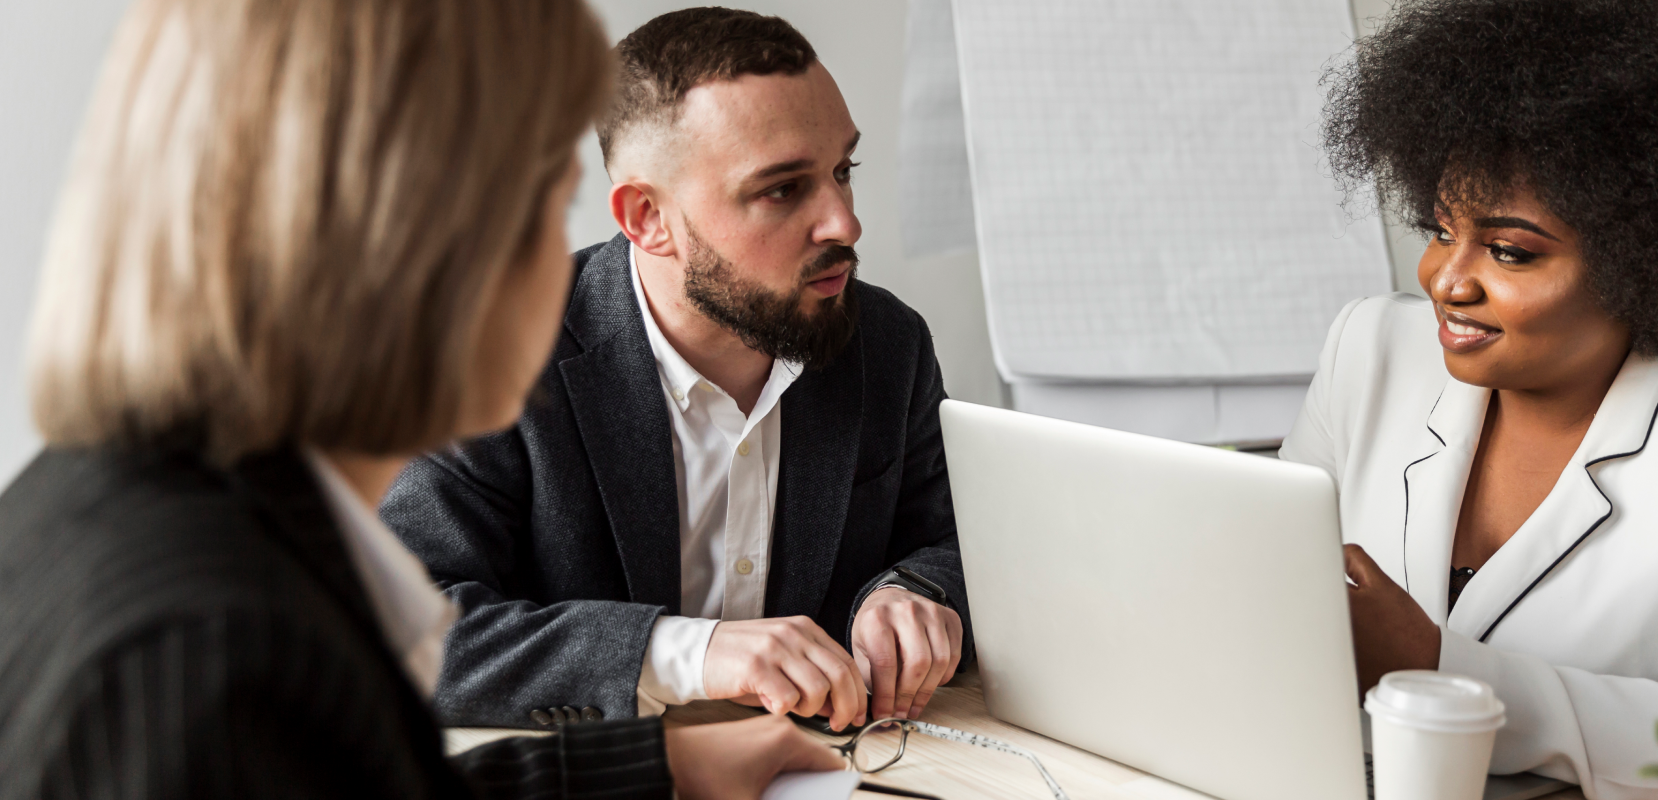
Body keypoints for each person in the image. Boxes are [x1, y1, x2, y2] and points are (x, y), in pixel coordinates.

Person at [0, 0, 841, 797]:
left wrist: (657, 769)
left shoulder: (118, 508)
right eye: (551, 204)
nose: (570, 269)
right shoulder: (215, 661)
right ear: (432, 241)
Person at [1294, 0, 1658, 797]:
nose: (1446, 280)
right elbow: (1254, 582)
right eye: (1439, 229)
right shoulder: (1368, 349)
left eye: (1509, 251)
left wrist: (1444, 673)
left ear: (1657, 258)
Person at [380, 7, 968, 734]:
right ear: (646, 218)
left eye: (842, 171)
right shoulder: (494, 350)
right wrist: (686, 654)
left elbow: (962, 542)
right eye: (782, 189)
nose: (844, 223)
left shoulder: (888, 342)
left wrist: (916, 591)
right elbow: (398, 630)